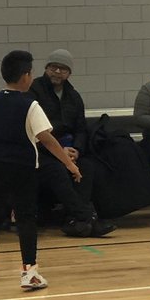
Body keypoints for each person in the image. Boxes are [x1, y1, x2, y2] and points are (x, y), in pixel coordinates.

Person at [0, 51, 81, 291]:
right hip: (22, 168)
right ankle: (28, 272)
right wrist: (70, 164)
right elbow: (47, 139)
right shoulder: (30, 104)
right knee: (26, 218)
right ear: (26, 76)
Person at [29, 50, 115, 237]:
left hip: (69, 148)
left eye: (63, 69)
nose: (58, 72)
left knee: (88, 167)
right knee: (57, 170)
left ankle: (73, 220)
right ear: (46, 68)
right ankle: (86, 217)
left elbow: (80, 128)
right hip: (41, 151)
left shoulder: (73, 96)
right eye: (54, 67)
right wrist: (59, 151)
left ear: (69, 73)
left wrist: (77, 149)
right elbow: (34, 130)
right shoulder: (34, 91)